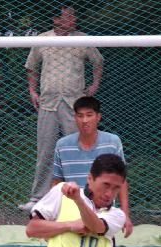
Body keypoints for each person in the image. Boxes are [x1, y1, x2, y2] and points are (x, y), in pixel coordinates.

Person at [52, 96, 132, 247]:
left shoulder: (112, 141)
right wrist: (57, 218)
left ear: (98, 117)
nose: (85, 120)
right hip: (71, 216)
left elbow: (121, 180)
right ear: (75, 118)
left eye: (89, 115)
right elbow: (56, 182)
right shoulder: (62, 145)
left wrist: (126, 215)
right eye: (80, 115)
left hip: (102, 216)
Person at [20, 6, 104, 212]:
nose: (73, 19)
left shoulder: (82, 39)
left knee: (77, 149)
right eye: (69, 15)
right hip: (48, 103)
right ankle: (38, 197)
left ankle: (85, 196)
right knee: (45, 150)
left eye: (74, 15)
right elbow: (31, 66)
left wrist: (94, 85)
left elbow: (98, 62)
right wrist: (32, 90)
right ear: (56, 19)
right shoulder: (43, 39)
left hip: (75, 104)